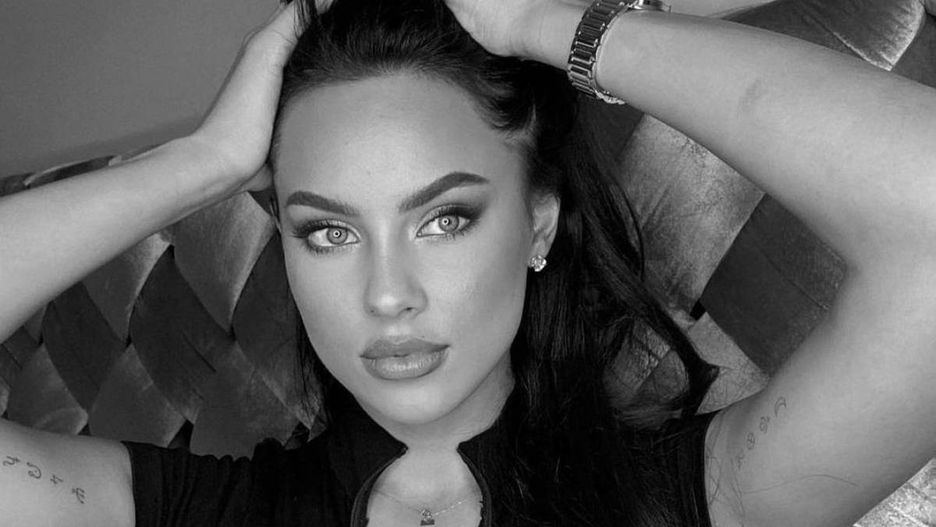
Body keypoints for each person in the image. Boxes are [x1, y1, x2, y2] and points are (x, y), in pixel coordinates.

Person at [1, 0, 935, 525]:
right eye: (327, 231)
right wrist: (200, 164)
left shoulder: (694, 498)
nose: (387, 295)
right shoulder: (205, 513)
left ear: (538, 226)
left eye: (444, 219)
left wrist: (543, 23)